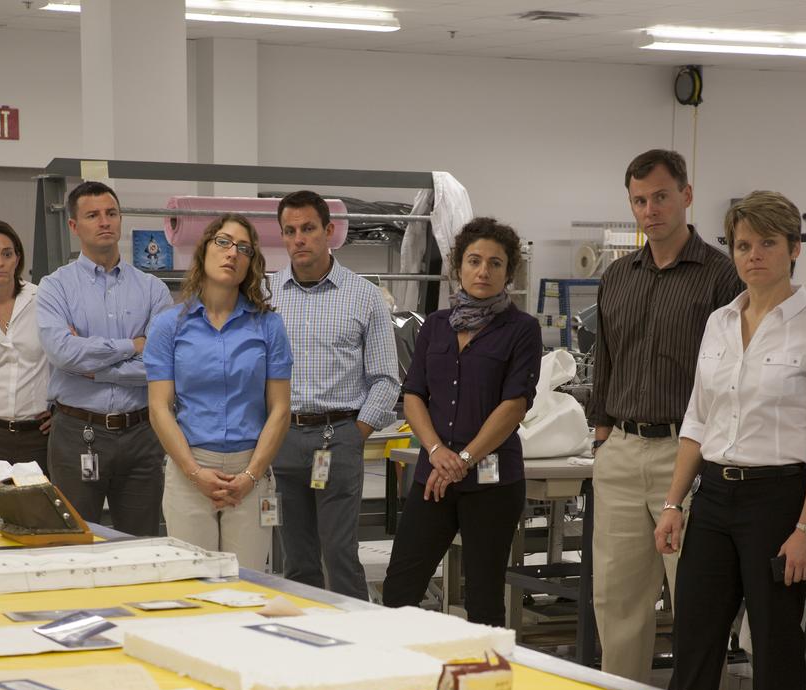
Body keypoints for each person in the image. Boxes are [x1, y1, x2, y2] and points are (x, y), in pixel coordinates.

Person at [654, 191, 806, 690]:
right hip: (715, 497)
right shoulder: (719, 323)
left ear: (794, 248)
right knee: (695, 636)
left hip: (779, 502)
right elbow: (697, 421)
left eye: (767, 243)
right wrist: (674, 503)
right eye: (743, 244)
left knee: (774, 647)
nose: (754, 255)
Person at [589, 149, 741, 683]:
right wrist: (603, 435)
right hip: (623, 451)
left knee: (695, 602)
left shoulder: (722, 278)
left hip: (690, 454)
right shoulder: (617, 277)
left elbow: (732, 377)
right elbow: (604, 359)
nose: (650, 210)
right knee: (617, 599)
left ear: (686, 195)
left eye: (660, 197)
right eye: (638, 200)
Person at [382, 216, 541, 627]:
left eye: (495, 263)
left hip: (491, 479)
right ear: (458, 267)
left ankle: (481, 683)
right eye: (474, 260)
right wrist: (437, 452)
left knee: (484, 597)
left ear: (509, 272)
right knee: (400, 589)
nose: (483, 271)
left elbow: (514, 404)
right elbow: (414, 393)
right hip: (433, 474)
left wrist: (464, 459)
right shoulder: (435, 325)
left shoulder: (522, 329)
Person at [269, 189, 399, 600]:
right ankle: (302, 642)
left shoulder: (364, 296)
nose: (299, 239)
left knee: (339, 552)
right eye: (289, 231)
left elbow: (386, 379)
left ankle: (359, 645)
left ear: (329, 231)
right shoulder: (265, 296)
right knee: (295, 556)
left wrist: (354, 433)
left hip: (337, 437)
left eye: (308, 228)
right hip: (281, 437)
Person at [144, 215, 292, 570]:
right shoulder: (169, 326)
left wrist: (251, 476)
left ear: (251, 264)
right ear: (204, 250)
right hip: (189, 470)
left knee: (248, 583)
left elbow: (280, 410)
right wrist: (195, 472)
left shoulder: (268, 326)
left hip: (249, 472)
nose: (232, 254)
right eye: (223, 242)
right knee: (194, 585)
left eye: (244, 248)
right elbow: (160, 409)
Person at [36, 180, 172, 535]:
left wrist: (96, 369)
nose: (104, 221)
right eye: (93, 215)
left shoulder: (153, 289)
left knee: (142, 543)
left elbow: (162, 363)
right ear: (73, 226)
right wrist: (133, 346)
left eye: (111, 213)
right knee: (74, 543)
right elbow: (63, 352)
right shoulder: (55, 287)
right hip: (76, 432)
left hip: (142, 433)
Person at [0, 220, 51, 469]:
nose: (0, 263)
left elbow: (70, 358)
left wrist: (63, 412)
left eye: (7, 253)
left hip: (40, 436)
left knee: (38, 508)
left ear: (18, 258)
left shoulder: (43, 300)